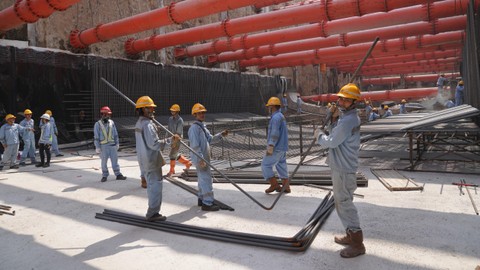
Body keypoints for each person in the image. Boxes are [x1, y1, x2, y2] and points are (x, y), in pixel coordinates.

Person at [314, 83, 366, 258]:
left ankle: (357, 243)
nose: (340, 101)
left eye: (343, 99)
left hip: (343, 168)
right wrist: (335, 120)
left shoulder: (348, 120)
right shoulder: (346, 118)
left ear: (353, 101)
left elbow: (331, 142)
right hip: (342, 165)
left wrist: (318, 135)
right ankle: (351, 235)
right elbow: (338, 135)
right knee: (342, 201)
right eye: (340, 98)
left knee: (344, 203)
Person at [135, 96, 178, 222]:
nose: (153, 110)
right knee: (155, 187)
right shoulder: (147, 124)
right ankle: (153, 214)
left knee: (152, 186)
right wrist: (170, 140)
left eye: (153, 108)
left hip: (144, 159)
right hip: (151, 160)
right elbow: (154, 144)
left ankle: (152, 211)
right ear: (143, 109)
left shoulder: (140, 123)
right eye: (150, 108)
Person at [188, 103, 228, 211]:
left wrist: (221, 135)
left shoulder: (202, 127)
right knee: (206, 179)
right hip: (200, 158)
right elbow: (195, 145)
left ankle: (201, 199)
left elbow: (210, 139)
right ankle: (208, 203)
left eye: (203, 113)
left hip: (203, 157)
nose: (202, 114)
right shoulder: (194, 129)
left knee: (202, 179)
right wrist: (200, 158)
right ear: (195, 114)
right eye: (199, 113)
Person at [261, 97, 290, 194]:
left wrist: (270, 146)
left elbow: (274, 133)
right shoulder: (281, 116)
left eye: (269, 106)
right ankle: (286, 186)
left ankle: (274, 184)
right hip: (282, 147)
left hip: (276, 147)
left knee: (265, 164)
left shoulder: (276, 118)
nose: (268, 108)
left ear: (272, 107)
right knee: (281, 165)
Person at [93, 106, 126, 182]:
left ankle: (118, 174)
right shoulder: (97, 124)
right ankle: (104, 175)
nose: (109, 116)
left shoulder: (111, 123)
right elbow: (96, 137)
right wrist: (97, 147)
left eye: (109, 114)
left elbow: (115, 134)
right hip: (103, 147)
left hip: (112, 146)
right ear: (103, 114)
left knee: (115, 161)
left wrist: (117, 143)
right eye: (107, 114)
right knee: (104, 162)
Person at [167, 104, 192, 176]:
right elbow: (168, 129)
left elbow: (178, 133)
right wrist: (167, 139)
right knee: (174, 154)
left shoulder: (180, 120)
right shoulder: (170, 119)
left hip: (177, 139)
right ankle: (187, 163)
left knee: (172, 155)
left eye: (173, 111)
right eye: (171, 111)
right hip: (171, 138)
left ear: (177, 111)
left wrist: (175, 142)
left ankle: (172, 170)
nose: (172, 112)